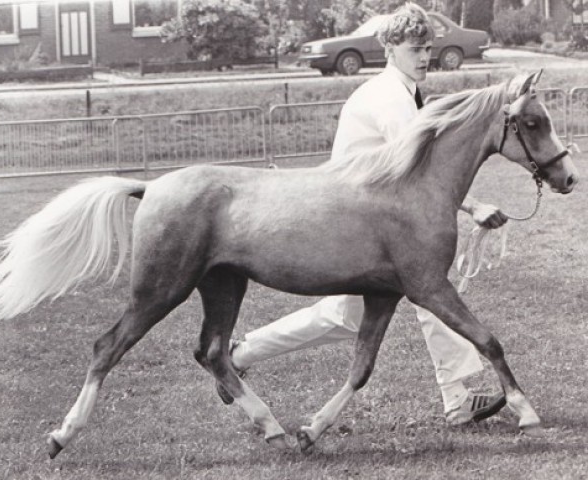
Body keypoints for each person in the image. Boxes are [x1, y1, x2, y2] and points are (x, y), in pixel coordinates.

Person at [217, 2, 508, 426]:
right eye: (414, 48)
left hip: (366, 219)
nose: (424, 56)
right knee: (430, 294)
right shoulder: (390, 98)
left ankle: (241, 354)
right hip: (353, 220)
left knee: (344, 317)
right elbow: (420, 168)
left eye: (428, 47)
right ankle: (457, 398)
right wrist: (475, 205)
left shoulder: (403, 90)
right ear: (389, 48)